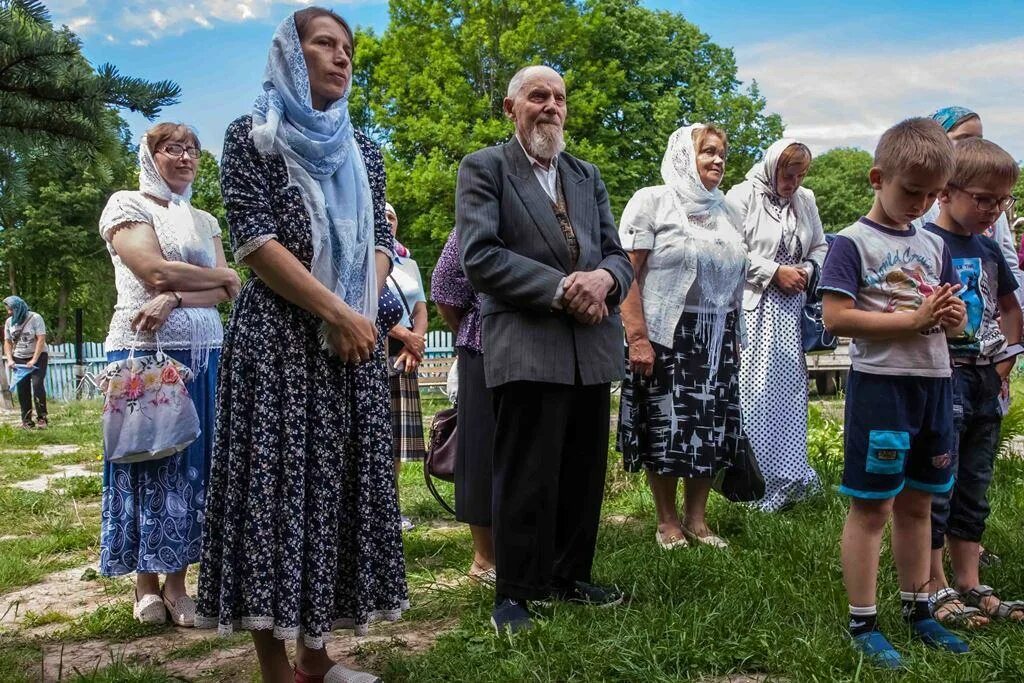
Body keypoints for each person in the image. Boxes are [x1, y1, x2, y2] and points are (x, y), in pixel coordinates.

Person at [194, 8, 407, 683]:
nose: (341, 58)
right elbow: (255, 242)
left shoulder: (365, 151)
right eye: (325, 44)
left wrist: (358, 316)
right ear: (291, 53)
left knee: (336, 494)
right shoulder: (251, 137)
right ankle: (275, 667)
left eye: (348, 48)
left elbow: (379, 243)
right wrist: (335, 311)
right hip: (278, 346)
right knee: (273, 498)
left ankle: (317, 656)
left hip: (350, 347)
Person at [458, 65, 633, 634]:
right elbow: (480, 257)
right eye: (538, 96)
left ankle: (570, 575)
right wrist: (563, 288)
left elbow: (618, 255)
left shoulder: (586, 176)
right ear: (511, 109)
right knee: (526, 470)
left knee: (583, 468)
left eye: (559, 96)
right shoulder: (485, 168)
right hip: (527, 342)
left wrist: (605, 281)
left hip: (590, 346)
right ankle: (514, 591)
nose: (551, 105)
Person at [819, 117, 968, 667]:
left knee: (920, 502)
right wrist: (913, 320)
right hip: (881, 390)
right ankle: (863, 620)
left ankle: (920, 608)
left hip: (933, 386)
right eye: (911, 191)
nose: (922, 204)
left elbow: (950, 323)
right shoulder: (851, 243)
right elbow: (835, 318)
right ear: (877, 177)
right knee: (873, 506)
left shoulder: (934, 245)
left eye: (932, 195)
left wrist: (950, 319)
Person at [97, 123, 238, 626]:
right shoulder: (127, 205)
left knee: (191, 465)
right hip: (144, 353)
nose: (184, 158)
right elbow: (152, 270)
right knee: (147, 457)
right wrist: (214, 278)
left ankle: (179, 586)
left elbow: (224, 290)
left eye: (192, 150)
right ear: (150, 155)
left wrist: (179, 294)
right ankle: (144, 585)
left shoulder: (204, 219)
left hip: (202, 354)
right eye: (171, 148)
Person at [618, 124, 750, 550]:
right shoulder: (653, 201)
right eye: (707, 152)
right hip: (665, 336)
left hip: (716, 336)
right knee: (667, 428)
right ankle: (667, 520)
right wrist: (637, 337)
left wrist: (734, 333)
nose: (717, 161)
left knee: (710, 428)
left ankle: (698, 518)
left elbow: (736, 280)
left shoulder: (728, 211)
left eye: (722, 154)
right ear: (683, 157)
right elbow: (626, 276)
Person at [922, 138, 1024, 626]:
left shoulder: (987, 248)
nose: (992, 210)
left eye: (1001, 201)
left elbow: (1009, 308)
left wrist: (1003, 363)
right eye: (983, 198)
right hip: (943, 381)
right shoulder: (923, 244)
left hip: (986, 381)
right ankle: (933, 583)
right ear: (945, 191)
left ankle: (969, 579)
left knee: (976, 483)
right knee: (938, 480)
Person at [727, 139, 827, 512]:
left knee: (790, 396)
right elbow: (731, 249)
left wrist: (807, 269)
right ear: (773, 168)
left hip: (792, 309)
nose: (794, 183)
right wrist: (773, 272)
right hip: (754, 306)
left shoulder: (806, 200)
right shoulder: (741, 196)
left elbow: (819, 245)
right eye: (788, 175)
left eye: (800, 176)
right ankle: (754, 484)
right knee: (756, 393)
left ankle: (791, 476)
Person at [431, 227, 495, 584]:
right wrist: (470, 331)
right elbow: (443, 287)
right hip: (484, 346)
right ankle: (484, 559)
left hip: (542, 350)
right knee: (481, 451)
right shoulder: (475, 220)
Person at [915, 107, 1024, 304]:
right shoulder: (921, 203)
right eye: (964, 138)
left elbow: (1007, 260)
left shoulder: (993, 205)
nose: (994, 209)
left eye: (979, 139)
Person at [384, 203, 428, 532]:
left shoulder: (408, 262)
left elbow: (421, 307)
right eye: (381, 215)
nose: (387, 220)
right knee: (375, 437)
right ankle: (371, 509)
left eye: (392, 216)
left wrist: (417, 342)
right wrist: (403, 334)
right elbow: (363, 303)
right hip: (375, 348)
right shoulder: (365, 255)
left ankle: (391, 509)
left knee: (396, 441)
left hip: (405, 356)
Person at [3, 296, 49, 429]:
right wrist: (10, 359)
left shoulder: (35, 318)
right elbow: (7, 342)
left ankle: (42, 418)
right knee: (22, 389)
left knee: (37, 384)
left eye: (11, 309)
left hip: (38, 356)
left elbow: (41, 339)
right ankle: (26, 421)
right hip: (19, 358)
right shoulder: (9, 322)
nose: (9, 312)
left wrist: (34, 359)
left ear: (18, 308)